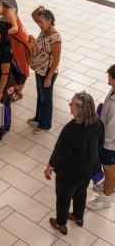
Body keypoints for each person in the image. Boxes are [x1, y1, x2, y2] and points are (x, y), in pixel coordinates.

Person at [45, 92, 104, 235]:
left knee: (64, 198)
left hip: (70, 174)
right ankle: (78, 216)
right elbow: (100, 144)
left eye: (72, 104)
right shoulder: (98, 123)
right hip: (88, 170)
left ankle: (61, 224)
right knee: (81, 192)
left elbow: (61, 152)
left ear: (81, 109)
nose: (69, 105)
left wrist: (50, 167)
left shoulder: (71, 129)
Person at [0, 0, 30, 100]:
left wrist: (1, 34)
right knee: (17, 66)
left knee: (21, 68)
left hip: (20, 42)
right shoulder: (5, 13)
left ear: (1, 5)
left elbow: (15, 28)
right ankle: (16, 89)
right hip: (14, 42)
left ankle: (19, 93)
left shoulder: (8, 13)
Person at [29, 7, 62, 134]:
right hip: (39, 69)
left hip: (48, 72)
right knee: (40, 95)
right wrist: (39, 8)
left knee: (46, 99)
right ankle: (38, 118)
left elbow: (56, 60)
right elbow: (33, 15)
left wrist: (49, 77)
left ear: (50, 21)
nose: (39, 24)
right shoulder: (44, 30)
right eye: (39, 22)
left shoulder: (55, 38)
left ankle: (45, 124)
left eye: (41, 22)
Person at [87, 64, 115, 210]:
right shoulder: (113, 91)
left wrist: (100, 142)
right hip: (107, 140)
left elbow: (111, 131)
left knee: (109, 170)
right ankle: (110, 187)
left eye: (110, 76)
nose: (108, 78)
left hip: (110, 144)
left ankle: (106, 199)